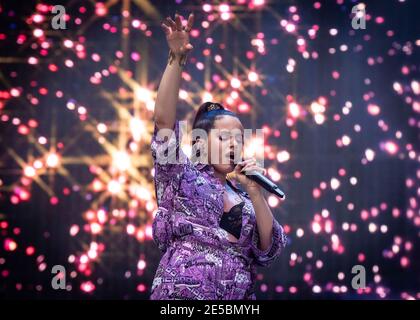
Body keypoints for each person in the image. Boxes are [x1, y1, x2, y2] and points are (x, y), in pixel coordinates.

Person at [150, 12, 287, 300]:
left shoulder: (246, 196)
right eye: (224, 138)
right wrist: (176, 59)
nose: (233, 144)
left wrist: (257, 193)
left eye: (239, 139)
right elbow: (163, 123)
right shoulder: (182, 175)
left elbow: (267, 250)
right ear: (201, 142)